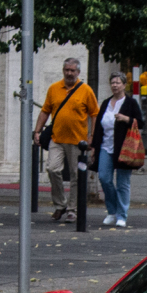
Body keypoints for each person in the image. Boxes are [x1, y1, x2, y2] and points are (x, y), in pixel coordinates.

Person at [34, 58, 100, 223]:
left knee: (76, 176)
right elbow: (45, 111)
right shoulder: (54, 88)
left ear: (78, 72)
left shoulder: (86, 90)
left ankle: (72, 209)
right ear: (63, 71)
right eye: (67, 70)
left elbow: (95, 114)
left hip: (78, 141)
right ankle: (60, 204)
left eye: (72, 71)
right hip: (57, 138)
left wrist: (92, 136)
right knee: (52, 169)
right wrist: (37, 131)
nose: (69, 73)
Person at [89, 72, 145, 228]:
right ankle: (112, 211)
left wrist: (126, 119)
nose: (114, 85)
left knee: (122, 183)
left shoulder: (130, 103)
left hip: (124, 148)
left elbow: (140, 122)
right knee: (104, 178)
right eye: (112, 82)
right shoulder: (106, 103)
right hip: (105, 146)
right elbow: (99, 126)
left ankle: (122, 215)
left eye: (118, 82)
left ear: (124, 85)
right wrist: (94, 146)